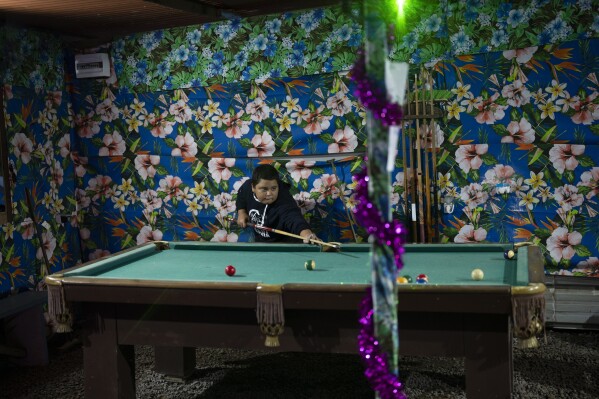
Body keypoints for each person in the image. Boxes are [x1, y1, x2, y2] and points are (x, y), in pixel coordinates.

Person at [236, 164, 316, 244]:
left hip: (285, 246)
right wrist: (241, 212)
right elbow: (241, 196)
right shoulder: (247, 187)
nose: (269, 193)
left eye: (273, 188)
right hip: (260, 244)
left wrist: (307, 234)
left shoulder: (284, 201)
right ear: (253, 187)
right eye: (264, 189)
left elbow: (294, 218)